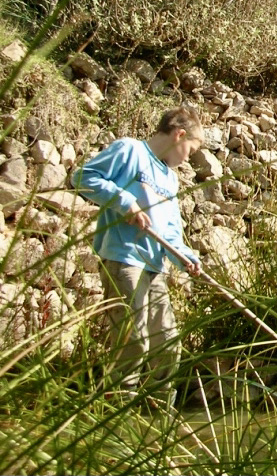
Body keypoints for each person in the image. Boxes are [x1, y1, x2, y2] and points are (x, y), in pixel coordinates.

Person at [72, 104, 204, 403]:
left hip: (154, 266)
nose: (188, 159)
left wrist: (184, 257)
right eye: (191, 150)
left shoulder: (170, 178)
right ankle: (119, 409)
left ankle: (158, 413)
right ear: (179, 135)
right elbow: (82, 177)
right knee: (135, 340)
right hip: (124, 260)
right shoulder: (130, 151)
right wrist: (125, 203)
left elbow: (170, 232)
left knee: (168, 344)